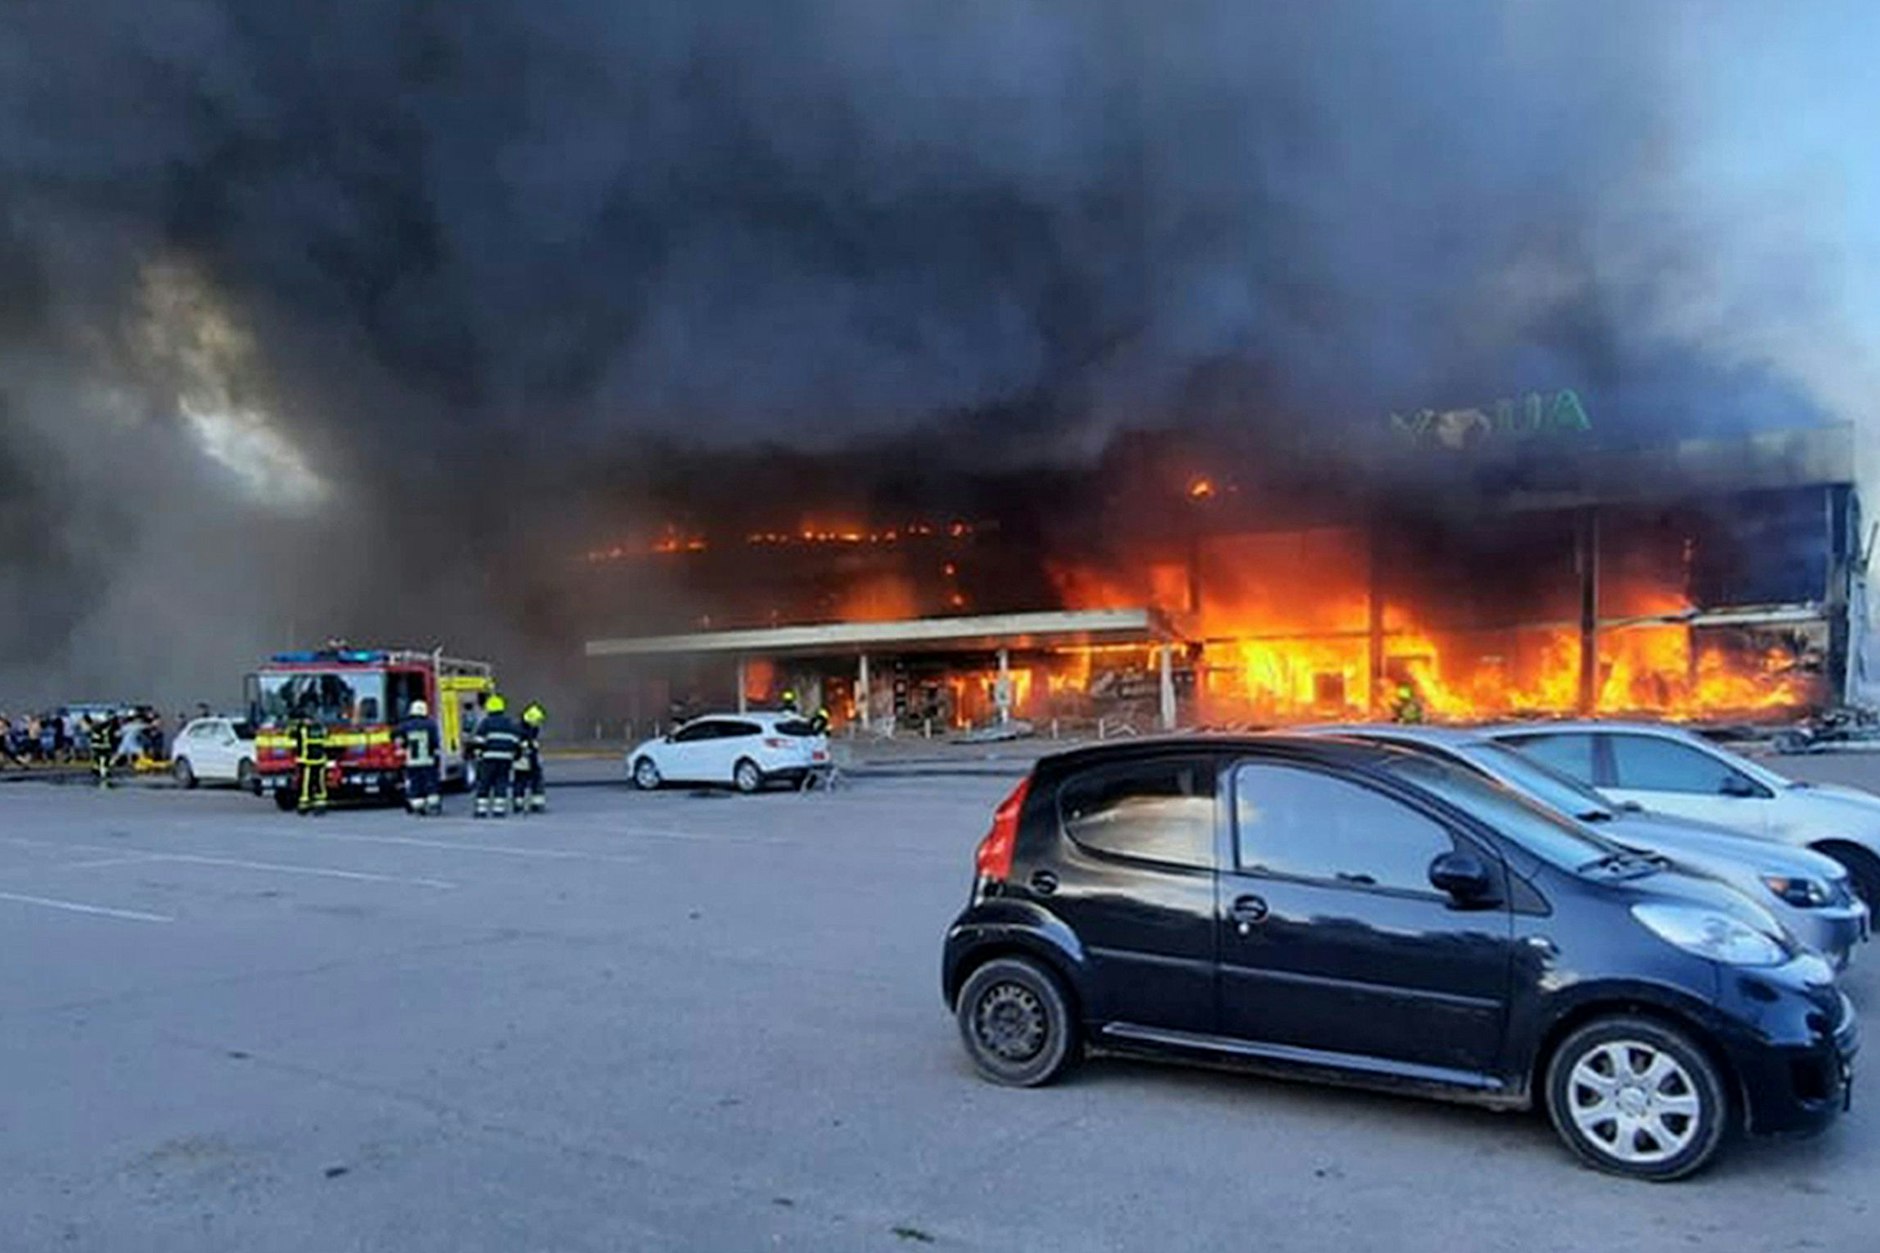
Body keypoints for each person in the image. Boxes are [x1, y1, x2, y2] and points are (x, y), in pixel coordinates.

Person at [470, 694, 520, 819]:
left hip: (488, 759)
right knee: (501, 783)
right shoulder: (510, 723)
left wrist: (476, 754)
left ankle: (481, 810)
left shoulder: (486, 723)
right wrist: (515, 756)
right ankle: (499, 810)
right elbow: (516, 742)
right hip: (505, 759)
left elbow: (478, 742)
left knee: (484, 783)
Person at [397, 698, 443, 816]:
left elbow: (399, 741)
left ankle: (418, 806)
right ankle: (433, 805)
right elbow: (435, 742)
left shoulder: (405, 726)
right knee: (431, 783)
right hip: (428, 760)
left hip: (412, 761)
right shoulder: (431, 724)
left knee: (415, 784)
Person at [290, 708, 331, 815]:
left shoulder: (302, 729)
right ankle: (320, 806)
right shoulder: (321, 728)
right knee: (319, 784)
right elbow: (326, 738)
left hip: (307, 761)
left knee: (306, 785)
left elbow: (291, 734)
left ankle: (305, 806)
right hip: (319, 761)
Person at [512, 700, 548, 815]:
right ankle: (519, 804)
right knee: (521, 782)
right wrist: (528, 745)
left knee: (536, 781)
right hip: (521, 759)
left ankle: (536, 804)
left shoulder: (532, 728)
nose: (538, 723)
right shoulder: (520, 729)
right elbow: (518, 744)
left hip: (531, 758)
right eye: (537, 721)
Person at [85, 714, 116, 789]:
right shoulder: (107, 729)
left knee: (101, 760)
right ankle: (102, 773)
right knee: (103, 761)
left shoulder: (95, 729)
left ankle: (100, 772)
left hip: (99, 747)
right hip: (104, 747)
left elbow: (89, 733)